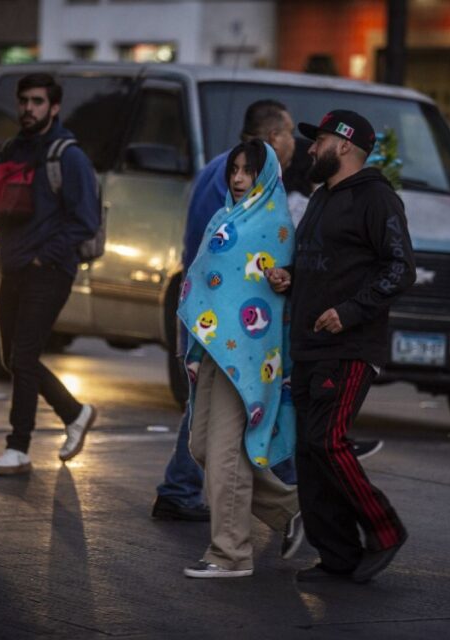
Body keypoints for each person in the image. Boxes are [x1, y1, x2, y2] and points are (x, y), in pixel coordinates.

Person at [152, 101, 383, 521]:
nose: (299, 144)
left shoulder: (221, 169)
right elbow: (229, 251)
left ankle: (215, 493)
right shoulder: (251, 180)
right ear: (273, 137)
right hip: (232, 325)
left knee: (223, 421)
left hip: (219, 319)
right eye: (290, 132)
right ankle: (269, 507)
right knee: (234, 418)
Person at [267, 110, 415, 583]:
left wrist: (350, 311)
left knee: (328, 442)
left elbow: (400, 269)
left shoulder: (376, 198)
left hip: (349, 345)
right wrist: (290, 278)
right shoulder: (321, 199)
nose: (311, 148)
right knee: (309, 451)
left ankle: (385, 530)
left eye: (320, 140)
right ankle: (338, 557)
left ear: (345, 146)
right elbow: (319, 264)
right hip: (308, 344)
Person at [179, 140, 302, 578]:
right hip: (214, 347)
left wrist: (284, 278)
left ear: (265, 176)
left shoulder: (275, 224)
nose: (237, 179)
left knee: (226, 452)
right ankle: (291, 510)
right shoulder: (224, 216)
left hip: (247, 357)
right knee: (202, 445)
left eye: (248, 171)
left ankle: (230, 554)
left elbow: (276, 287)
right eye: (234, 169)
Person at [0, 74, 99, 475]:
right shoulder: (10, 149)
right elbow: (0, 206)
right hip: (13, 266)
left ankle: (18, 447)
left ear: (53, 108)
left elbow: (85, 221)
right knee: (11, 357)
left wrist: (46, 256)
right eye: (24, 101)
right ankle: (75, 412)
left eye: (38, 102)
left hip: (50, 270)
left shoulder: (68, 156)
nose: (28, 108)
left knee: (23, 356)